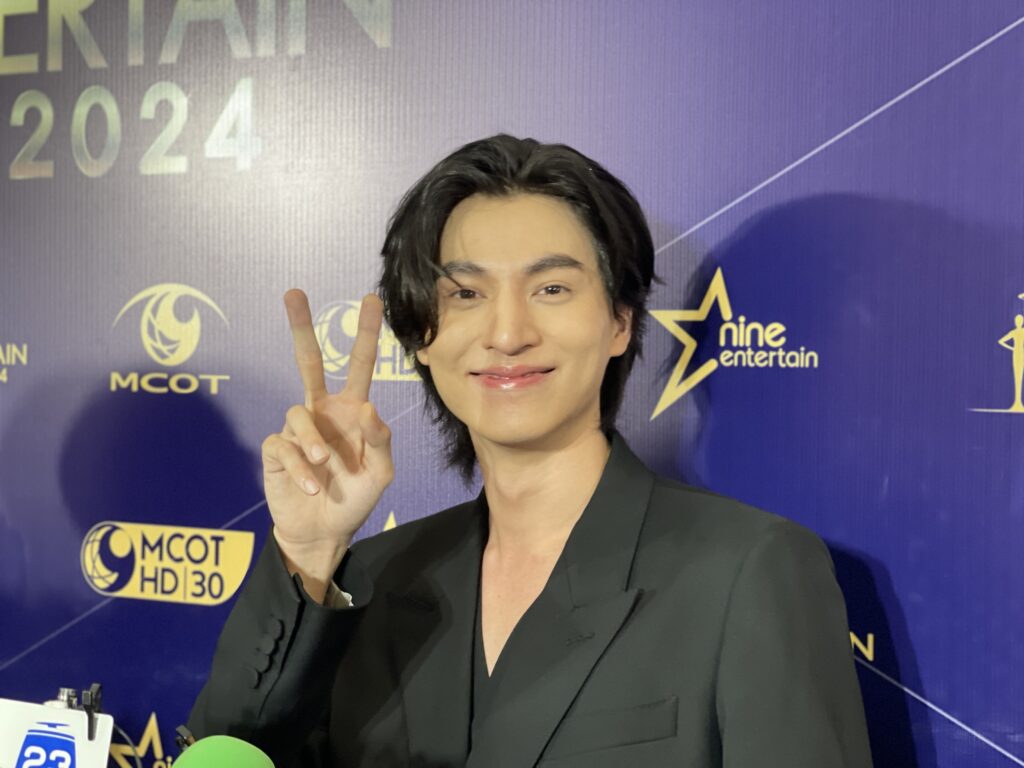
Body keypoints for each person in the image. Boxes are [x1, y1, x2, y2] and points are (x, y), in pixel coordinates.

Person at [189, 135, 873, 767]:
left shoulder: (746, 570)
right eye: (465, 293)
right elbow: (228, 752)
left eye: (551, 289)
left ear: (619, 321)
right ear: (421, 336)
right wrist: (309, 552)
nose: (508, 332)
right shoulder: (371, 578)